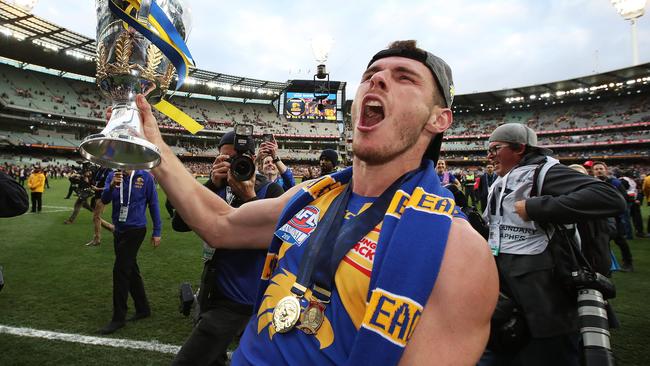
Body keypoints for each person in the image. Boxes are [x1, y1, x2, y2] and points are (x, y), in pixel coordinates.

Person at [131, 40, 498, 365]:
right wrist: (156, 145)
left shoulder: (459, 252)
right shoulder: (315, 194)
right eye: (371, 73)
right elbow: (220, 225)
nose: (378, 79)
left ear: (440, 118)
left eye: (405, 77)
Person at [481, 124, 625, 365]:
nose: (490, 155)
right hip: (510, 284)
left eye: (496, 148)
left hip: (545, 290)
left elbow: (608, 197)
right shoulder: (501, 180)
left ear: (519, 148)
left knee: (550, 352)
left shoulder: (544, 171)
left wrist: (536, 207)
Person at [172, 131, 284, 366]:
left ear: (253, 159)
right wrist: (212, 184)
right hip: (211, 288)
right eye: (226, 159)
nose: (234, 164)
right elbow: (179, 224)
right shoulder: (217, 185)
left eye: (239, 158)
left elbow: (281, 241)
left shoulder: (270, 192)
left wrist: (250, 196)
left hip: (242, 294)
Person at [98, 169, 162, 335]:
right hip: (118, 230)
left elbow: (153, 203)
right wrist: (111, 186)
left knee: (120, 270)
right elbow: (104, 199)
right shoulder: (113, 175)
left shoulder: (145, 177)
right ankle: (143, 308)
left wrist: (157, 231)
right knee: (131, 270)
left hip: (136, 229)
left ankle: (118, 318)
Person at [591, 161, 635, 271]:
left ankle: (628, 262)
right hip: (599, 218)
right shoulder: (590, 182)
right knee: (601, 242)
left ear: (606, 169)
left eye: (601, 168)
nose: (599, 170)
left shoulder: (615, 182)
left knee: (620, 240)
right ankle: (604, 264)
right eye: (596, 169)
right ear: (593, 172)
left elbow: (623, 197)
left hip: (615, 217)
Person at [85, 167, 115, 246]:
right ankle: (113, 228)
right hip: (97, 196)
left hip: (103, 197)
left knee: (96, 217)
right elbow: (96, 181)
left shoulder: (109, 171)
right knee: (96, 217)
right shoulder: (99, 169)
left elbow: (110, 187)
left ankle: (97, 239)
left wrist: (98, 189)